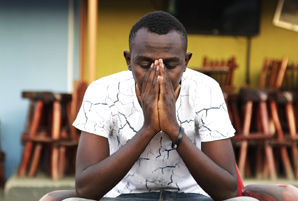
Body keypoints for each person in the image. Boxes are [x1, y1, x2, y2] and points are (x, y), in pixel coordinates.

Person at [41, 11, 258, 201]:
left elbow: (227, 190)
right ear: (128, 60)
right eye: (145, 65)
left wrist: (173, 129)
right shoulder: (102, 91)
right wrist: (148, 129)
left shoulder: (206, 89)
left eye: (171, 65)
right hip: (123, 198)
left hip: (193, 196)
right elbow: (86, 189)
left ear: (186, 62)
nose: (158, 75)